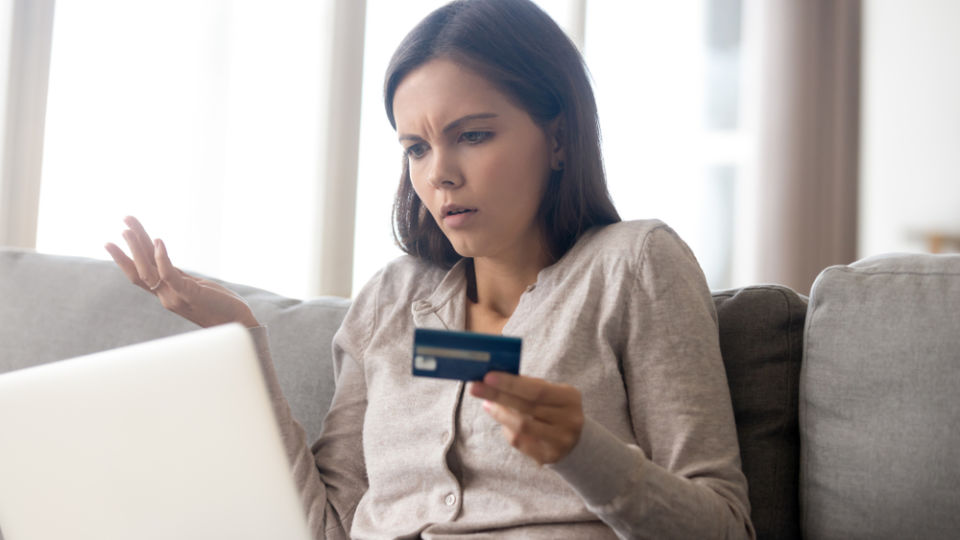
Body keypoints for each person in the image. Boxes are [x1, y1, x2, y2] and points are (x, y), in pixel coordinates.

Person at [105, 0, 755, 538]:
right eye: (416, 147)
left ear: (558, 138)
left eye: (473, 135)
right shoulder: (391, 298)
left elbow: (726, 525)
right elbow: (328, 526)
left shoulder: (634, 265)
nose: (438, 173)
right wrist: (242, 341)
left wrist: (584, 451)